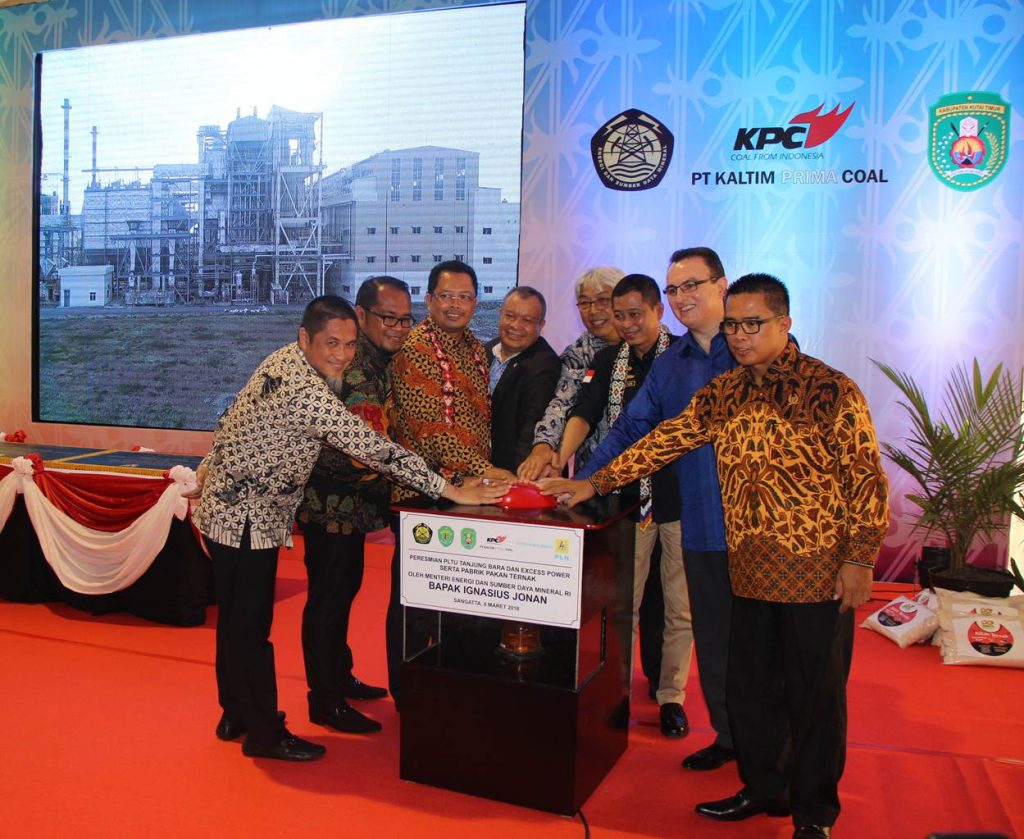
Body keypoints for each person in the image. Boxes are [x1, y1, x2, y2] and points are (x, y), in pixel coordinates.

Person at [540, 274, 889, 839]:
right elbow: (663, 439)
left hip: (816, 577)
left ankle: (814, 815)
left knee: (814, 698)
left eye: (754, 324)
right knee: (749, 691)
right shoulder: (725, 392)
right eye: (733, 325)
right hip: (747, 570)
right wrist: (593, 481)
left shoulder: (830, 389)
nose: (741, 336)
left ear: (784, 323)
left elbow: (866, 480)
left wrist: (860, 559)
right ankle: (765, 788)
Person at [191, 295, 506, 762]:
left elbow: (231, 417)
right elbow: (371, 446)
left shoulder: (282, 359)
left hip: (230, 508)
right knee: (250, 626)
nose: (342, 354)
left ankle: (236, 712)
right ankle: (264, 732)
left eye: (350, 344)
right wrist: (448, 488)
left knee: (237, 623)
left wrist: (210, 467)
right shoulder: (305, 389)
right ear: (305, 338)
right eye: (331, 343)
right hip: (246, 518)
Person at [574, 247, 737, 769]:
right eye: (676, 288)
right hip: (649, 503)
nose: (683, 297)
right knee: (633, 603)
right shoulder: (671, 364)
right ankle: (634, 696)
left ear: (721, 287)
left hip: (734, 520)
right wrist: (586, 480)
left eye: (692, 286)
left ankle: (675, 699)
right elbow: (630, 428)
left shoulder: (749, 351)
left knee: (697, 616)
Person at [556, 273, 693, 739]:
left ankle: (672, 696)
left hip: (679, 498)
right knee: (622, 603)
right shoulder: (607, 359)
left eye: (636, 314)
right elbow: (586, 413)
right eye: (620, 315)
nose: (628, 323)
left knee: (679, 606)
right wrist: (560, 458)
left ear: (658, 310)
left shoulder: (684, 358)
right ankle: (616, 690)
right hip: (625, 500)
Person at [386, 260, 516, 703]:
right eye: (446, 296)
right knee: (416, 600)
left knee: (459, 597)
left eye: (464, 297)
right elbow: (429, 430)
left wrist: (484, 474)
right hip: (423, 493)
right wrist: (487, 471)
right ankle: (408, 695)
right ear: (429, 300)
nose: (455, 305)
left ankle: (450, 689)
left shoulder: (477, 348)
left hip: (470, 494)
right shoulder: (415, 348)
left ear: (476, 302)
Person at [296, 276, 414, 736]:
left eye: (405, 319)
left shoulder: (379, 359)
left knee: (343, 592)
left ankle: (339, 676)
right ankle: (324, 700)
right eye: (388, 318)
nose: (397, 327)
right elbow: (365, 448)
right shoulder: (351, 363)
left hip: (352, 507)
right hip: (328, 505)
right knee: (327, 600)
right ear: (361, 316)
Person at [517, 266, 624, 481]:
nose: (593, 310)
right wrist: (544, 446)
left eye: (603, 300)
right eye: (585, 303)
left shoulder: (652, 346)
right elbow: (562, 402)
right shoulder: (581, 351)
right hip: (592, 474)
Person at [485, 286, 561, 472]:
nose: (515, 326)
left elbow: (530, 428)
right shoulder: (486, 350)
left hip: (512, 471)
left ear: (541, 325)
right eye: (510, 316)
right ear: (500, 314)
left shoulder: (544, 366)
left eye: (527, 320)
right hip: (480, 469)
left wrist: (519, 481)